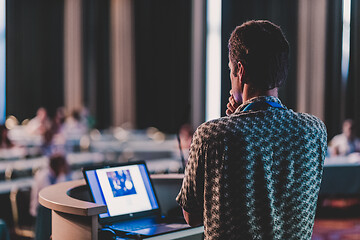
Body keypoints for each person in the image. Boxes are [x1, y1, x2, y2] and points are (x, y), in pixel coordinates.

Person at [176, 20, 327, 239]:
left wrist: (238, 117)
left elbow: (192, 217)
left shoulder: (211, 135)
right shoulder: (314, 131)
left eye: (230, 69)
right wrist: (241, 115)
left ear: (240, 70)